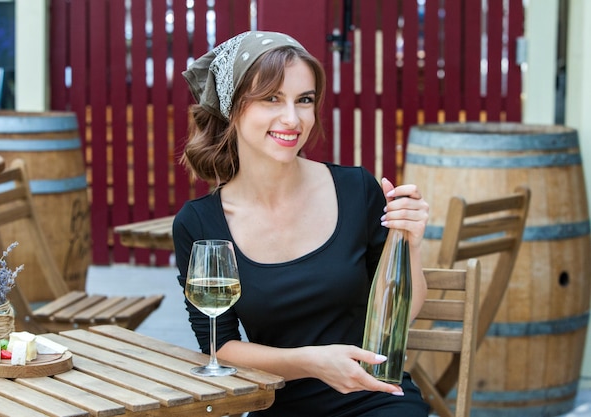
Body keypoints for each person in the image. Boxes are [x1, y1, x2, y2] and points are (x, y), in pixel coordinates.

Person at [174, 31, 430, 417]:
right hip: (277, 403)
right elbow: (219, 346)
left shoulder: (356, 189)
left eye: (304, 100)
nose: (293, 119)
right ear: (232, 108)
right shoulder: (199, 223)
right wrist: (312, 362)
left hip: (374, 395)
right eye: (271, 98)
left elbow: (400, 314)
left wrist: (408, 243)